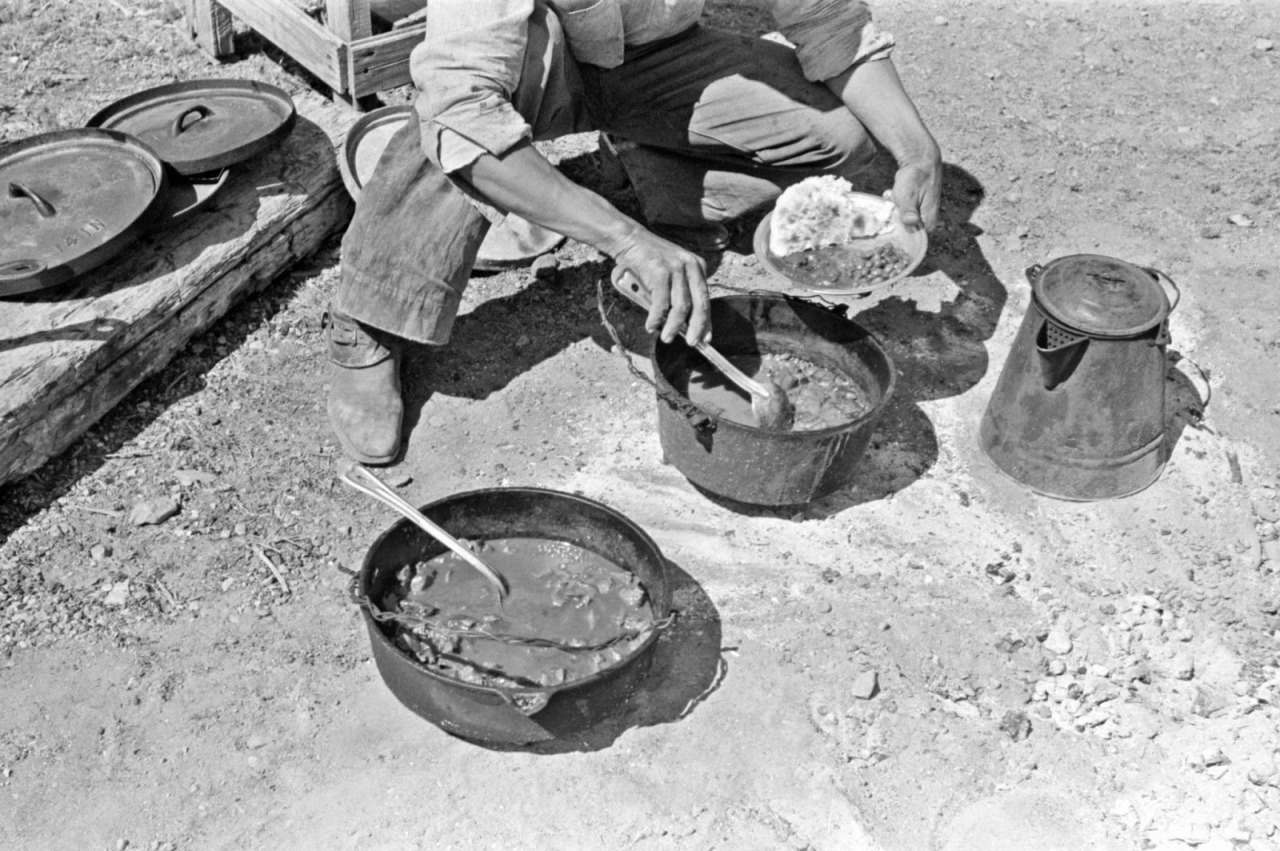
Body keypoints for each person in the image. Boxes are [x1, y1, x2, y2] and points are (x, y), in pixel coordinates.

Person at [327, 0, 942, 464]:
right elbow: (458, 111)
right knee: (470, 101)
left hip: (654, 58)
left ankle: (627, 179)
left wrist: (917, 152)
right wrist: (625, 241)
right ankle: (375, 314)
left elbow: (827, 17)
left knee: (840, 135)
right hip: (535, 60)